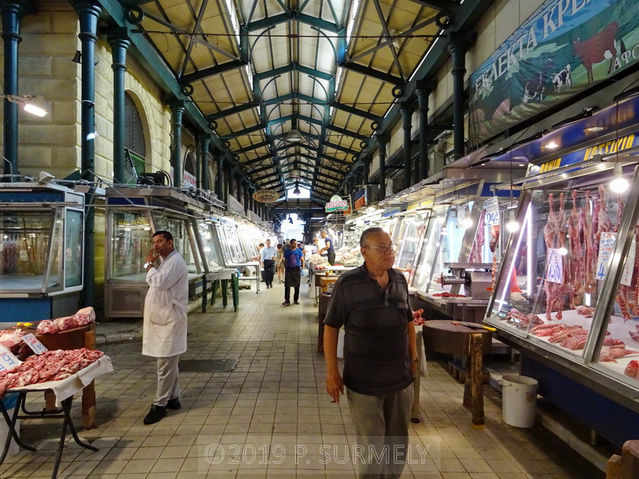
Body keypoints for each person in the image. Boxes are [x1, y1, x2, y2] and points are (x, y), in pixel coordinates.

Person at [323, 227, 418, 478]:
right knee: (372, 447)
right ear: (365, 252)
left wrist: (414, 356)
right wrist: (332, 372)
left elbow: (408, 319)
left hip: (399, 379)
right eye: (383, 248)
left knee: (397, 444)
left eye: (390, 247)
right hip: (363, 381)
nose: (390, 253)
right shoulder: (348, 283)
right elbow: (331, 327)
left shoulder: (399, 279)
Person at [142, 230, 188, 425]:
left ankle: (159, 405)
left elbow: (160, 282)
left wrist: (148, 265)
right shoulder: (166, 261)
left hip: (170, 319)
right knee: (170, 361)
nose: (156, 245)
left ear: (171, 242)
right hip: (163, 318)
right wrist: (152, 266)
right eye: (154, 242)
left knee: (165, 364)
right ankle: (173, 398)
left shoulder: (175, 262)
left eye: (160, 241)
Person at [282, 238, 304, 306]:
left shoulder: (299, 251)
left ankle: (295, 300)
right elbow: (284, 259)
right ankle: (287, 300)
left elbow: (302, 259)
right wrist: (285, 265)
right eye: (294, 243)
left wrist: (302, 268)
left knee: (297, 285)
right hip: (289, 269)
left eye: (296, 243)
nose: (295, 245)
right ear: (291, 244)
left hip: (296, 269)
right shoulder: (287, 251)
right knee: (287, 286)